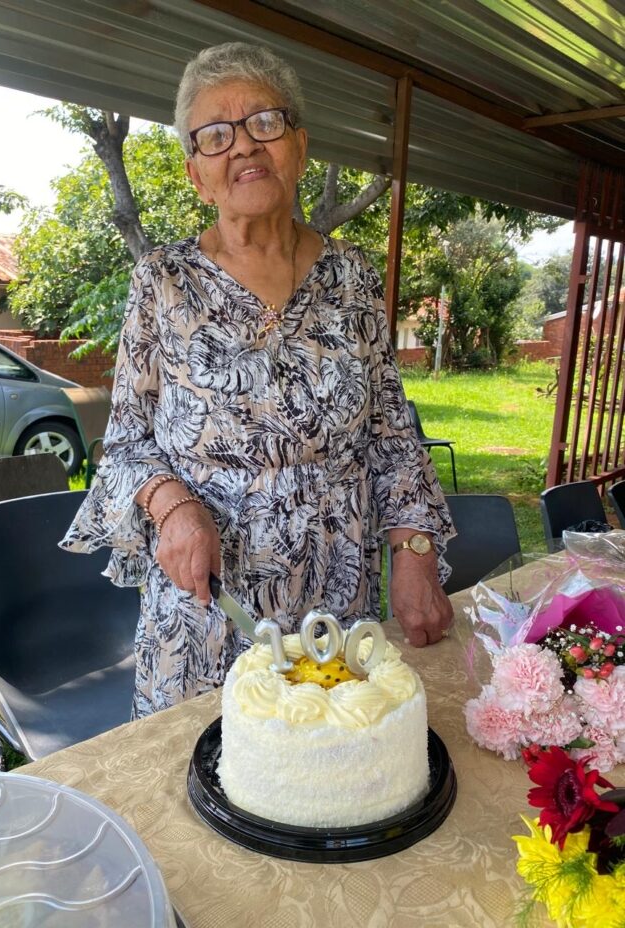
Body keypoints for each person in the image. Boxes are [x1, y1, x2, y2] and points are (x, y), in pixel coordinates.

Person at [62, 42, 455, 719]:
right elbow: (126, 443)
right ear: (196, 175)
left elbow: (391, 432)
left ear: (299, 147)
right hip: (209, 609)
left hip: (336, 604)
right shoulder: (163, 281)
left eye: (265, 123)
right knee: (201, 771)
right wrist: (172, 508)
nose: (244, 145)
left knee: (331, 759)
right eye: (216, 135)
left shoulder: (353, 278)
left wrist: (415, 552)